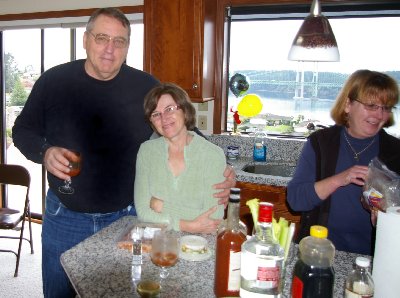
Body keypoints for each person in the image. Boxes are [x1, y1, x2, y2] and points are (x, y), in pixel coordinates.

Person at [11, 8, 235, 298]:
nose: (109, 49)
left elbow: (183, 130)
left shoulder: (145, 86)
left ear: (128, 46)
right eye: (102, 38)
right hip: (64, 216)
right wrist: (45, 151)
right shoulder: (53, 82)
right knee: (57, 293)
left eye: (119, 41)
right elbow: (22, 130)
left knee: (119, 292)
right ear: (86, 39)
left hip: (125, 219)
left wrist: (223, 169)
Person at [287, 69, 400, 256]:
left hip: (376, 259)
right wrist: (340, 179)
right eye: (371, 105)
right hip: (319, 253)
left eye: (386, 108)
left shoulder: (395, 151)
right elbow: (296, 200)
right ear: (348, 104)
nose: (379, 115)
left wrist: (388, 219)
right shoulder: (321, 143)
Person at [134, 83, 226, 233]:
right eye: (156, 114)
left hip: (199, 247)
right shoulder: (147, 151)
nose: (164, 118)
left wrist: (160, 205)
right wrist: (187, 225)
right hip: (159, 245)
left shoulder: (212, 155)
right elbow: (143, 212)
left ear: (185, 110)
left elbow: (213, 217)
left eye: (169, 109)